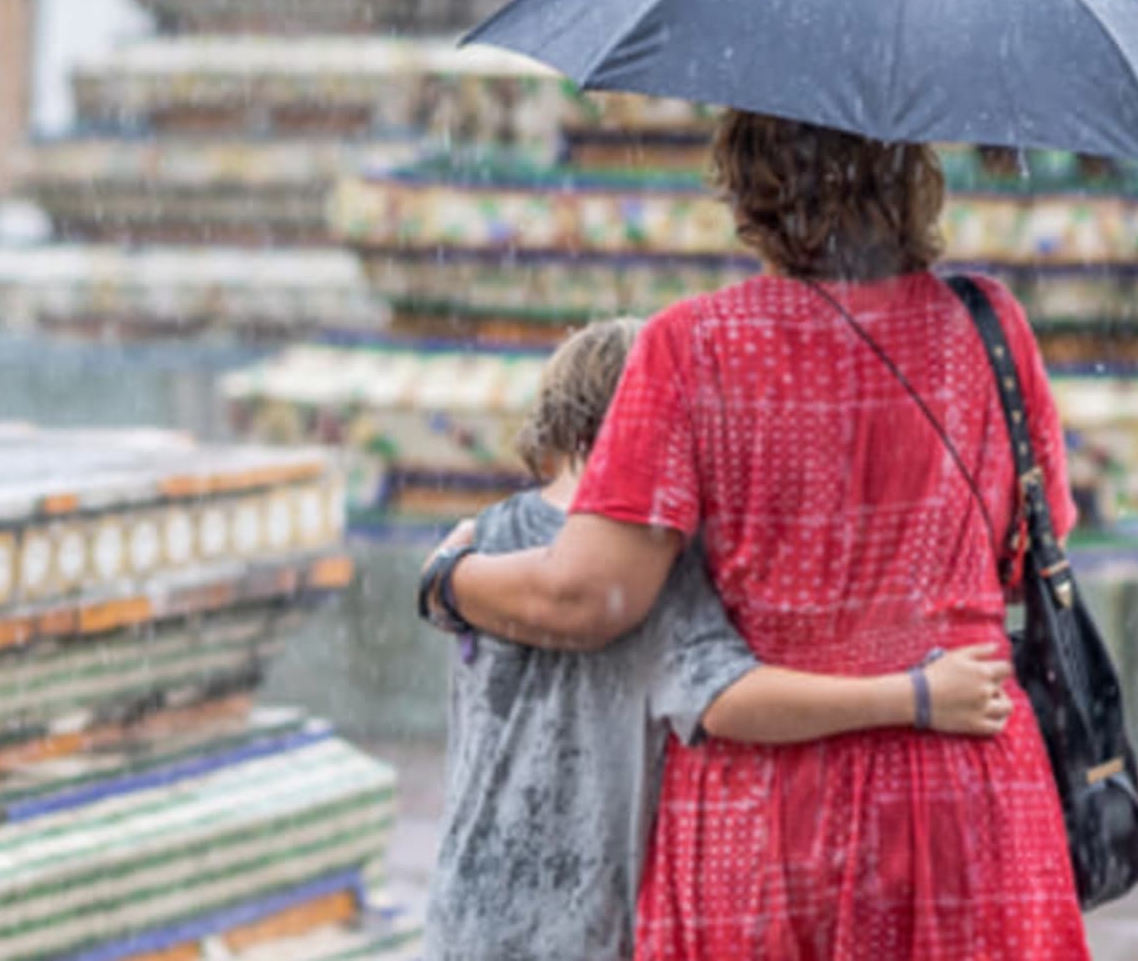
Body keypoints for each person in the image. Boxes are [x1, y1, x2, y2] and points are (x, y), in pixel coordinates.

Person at [422, 112, 1095, 959]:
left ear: (749, 187)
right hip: (966, 775)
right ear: (911, 172)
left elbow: (592, 594)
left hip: (770, 806)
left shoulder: (693, 346)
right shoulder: (992, 328)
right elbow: (1031, 549)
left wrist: (452, 579)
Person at [422, 317, 1014, 961]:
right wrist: (916, 697)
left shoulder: (477, 541)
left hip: (466, 909)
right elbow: (727, 700)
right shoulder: (646, 566)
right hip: (583, 928)